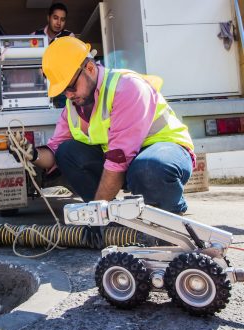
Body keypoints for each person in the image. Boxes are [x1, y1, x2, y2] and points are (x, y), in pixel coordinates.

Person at [11, 37, 196, 214]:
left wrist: (96, 215)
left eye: (71, 87)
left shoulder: (127, 87)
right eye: (63, 91)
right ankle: (112, 221)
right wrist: (31, 154)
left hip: (164, 151)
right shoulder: (73, 107)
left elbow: (118, 160)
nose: (68, 95)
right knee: (67, 152)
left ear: (90, 68)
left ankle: (171, 210)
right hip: (127, 163)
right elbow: (55, 152)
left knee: (148, 168)